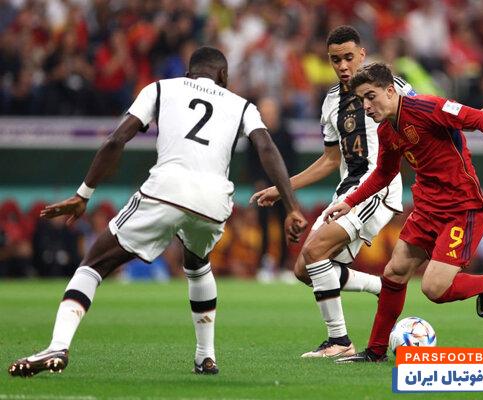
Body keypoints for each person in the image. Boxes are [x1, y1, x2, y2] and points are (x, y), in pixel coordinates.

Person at [8, 46, 307, 377]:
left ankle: (58, 345)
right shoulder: (242, 105)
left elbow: (116, 140)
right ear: (223, 75)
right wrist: (292, 207)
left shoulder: (160, 88)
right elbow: (267, 147)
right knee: (198, 263)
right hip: (214, 201)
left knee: (93, 263)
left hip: (166, 189)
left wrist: (84, 194)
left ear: (189, 72)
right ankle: (205, 356)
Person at [324, 62, 483, 363]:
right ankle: (375, 351)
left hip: (462, 210)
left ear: (390, 91)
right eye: (361, 100)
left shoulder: (426, 107)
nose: (366, 106)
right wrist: (350, 201)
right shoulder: (387, 131)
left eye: (370, 96)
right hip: (426, 210)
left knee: (434, 288)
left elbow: (481, 118)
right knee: (394, 272)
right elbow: (384, 174)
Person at [251, 26, 415, 358]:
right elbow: (330, 159)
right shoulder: (330, 102)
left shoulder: (390, 86)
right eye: (335, 60)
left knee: (315, 254)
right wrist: (283, 188)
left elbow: (424, 116)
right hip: (346, 190)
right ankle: (382, 287)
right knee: (303, 269)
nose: (342, 65)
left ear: (362, 55)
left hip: (376, 188)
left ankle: (338, 341)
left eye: (348, 57)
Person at [246, 97, 297, 282]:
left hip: (282, 190)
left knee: (286, 227)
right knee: (263, 228)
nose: (268, 116)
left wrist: (287, 186)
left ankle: (284, 266)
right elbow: (250, 162)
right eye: (265, 113)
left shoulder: (285, 134)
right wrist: (257, 181)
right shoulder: (255, 135)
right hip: (263, 190)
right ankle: (263, 265)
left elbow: (292, 161)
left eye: (271, 112)